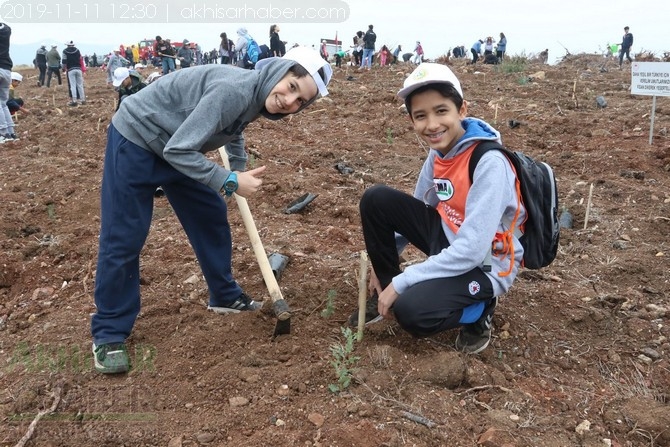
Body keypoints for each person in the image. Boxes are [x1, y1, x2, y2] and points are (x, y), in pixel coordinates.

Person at [90, 46, 333, 374]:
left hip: (173, 143)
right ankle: (109, 333)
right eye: (292, 87)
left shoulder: (254, 94)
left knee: (209, 213)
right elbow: (180, 149)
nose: (290, 102)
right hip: (137, 139)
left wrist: (239, 165)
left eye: (300, 101)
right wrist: (229, 180)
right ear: (279, 71)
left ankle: (224, 296)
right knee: (125, 236)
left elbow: (234, 127)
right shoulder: (234, 90)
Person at [348, 63, 523, 355]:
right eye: (420, 116)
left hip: (486, 262)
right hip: (449, 237)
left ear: (462, 110)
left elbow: (471, 250)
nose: (431, 125)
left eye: (441, 111)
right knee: (376, 199)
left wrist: (405, 282)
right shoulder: (439, 152)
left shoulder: (489, 163)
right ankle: (384, 293)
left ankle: (479, 310)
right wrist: (388, 263)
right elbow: (419, 208)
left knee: (413, 313)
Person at [0, 22, 16, 143]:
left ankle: (3, 133)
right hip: (6, 69)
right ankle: (11, 132)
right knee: (3, 103)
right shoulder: (6, 29)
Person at [62, 40, 86, 106]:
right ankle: (83, 99)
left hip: (71, 69)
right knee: (80, 85)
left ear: (67, 45)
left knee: (73, 85)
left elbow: (64, 61)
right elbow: (80, 59)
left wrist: (63, 69)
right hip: (78, 69)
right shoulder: (77, 50)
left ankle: (74, 100)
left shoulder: (65, 51)